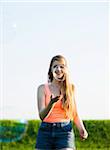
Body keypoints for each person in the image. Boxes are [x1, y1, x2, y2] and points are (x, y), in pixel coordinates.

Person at [35, 55, 88, 150]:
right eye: (55, 66)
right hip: (45, 131)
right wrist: (51, 104)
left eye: (61, 66)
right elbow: (42, 116)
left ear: (66, 70)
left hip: (65, 131)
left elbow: (74, 112)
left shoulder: (70, 88)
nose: (58, 69)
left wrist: (82, 129)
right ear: (51, 70)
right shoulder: (42, 88)